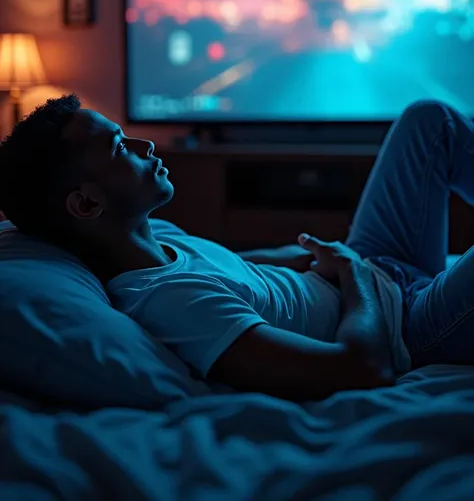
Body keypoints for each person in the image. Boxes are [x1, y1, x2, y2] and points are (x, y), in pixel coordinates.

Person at [1, 96, 474, 402]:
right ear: (86, 203)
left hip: (372, 264)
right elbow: (361, 370)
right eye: (120, 147)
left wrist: (309, 255)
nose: (145, 144)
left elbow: (238, 270)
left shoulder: (155, 235)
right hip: (406, 327)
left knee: (429, 122)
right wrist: (355, 281)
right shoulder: (172, 302)